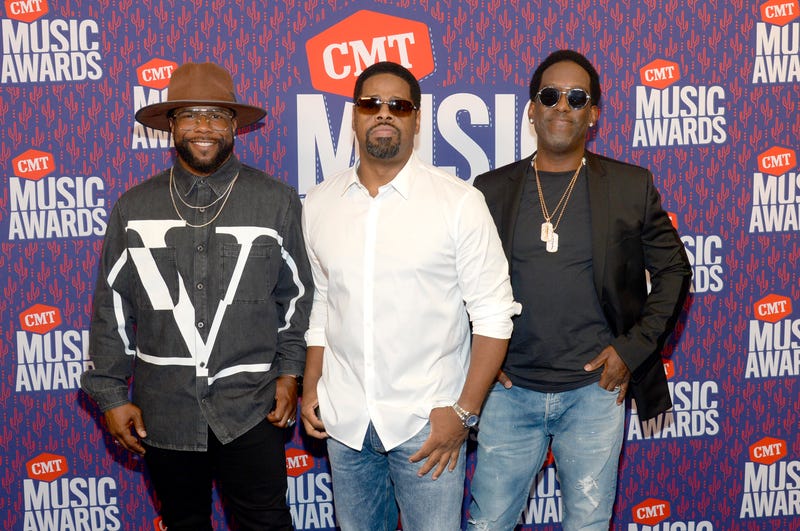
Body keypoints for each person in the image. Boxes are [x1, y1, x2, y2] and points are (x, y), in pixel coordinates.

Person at [81, 62, 312, 531]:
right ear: (171, 126)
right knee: (183, 523)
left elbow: (297, 299)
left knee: (265, 523)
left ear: (234, 126)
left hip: (252, 407)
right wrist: (109, 394)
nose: (203, 127)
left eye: (216, 115)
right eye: (189, 115)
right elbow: (113, 308)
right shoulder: (134, 207)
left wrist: (290, 375)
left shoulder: (277, 201)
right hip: (164, 410)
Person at [467, 50, 692, 530]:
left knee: (587, 525)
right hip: (508, 394)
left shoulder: (630, 185)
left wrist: (631, 349)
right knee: (487, 524)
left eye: (576, 98)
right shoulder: (489, 190)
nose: (561, 107)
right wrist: (480, 356)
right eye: (550, 96)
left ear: (593, 114)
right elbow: (456, 285)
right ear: (532, 108)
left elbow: (674, 269)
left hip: (594, 394)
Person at [300, 61, 520, 531]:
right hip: (346, 422)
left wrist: (462, 414)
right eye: (370, 104)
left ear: (417, 119)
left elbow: (494, 316)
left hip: (428, 425)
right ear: (354, 116)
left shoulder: (458, 203)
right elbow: (322, 303)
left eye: (397, 105)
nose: (383, 114)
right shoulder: (318, 204)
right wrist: (310, 385)